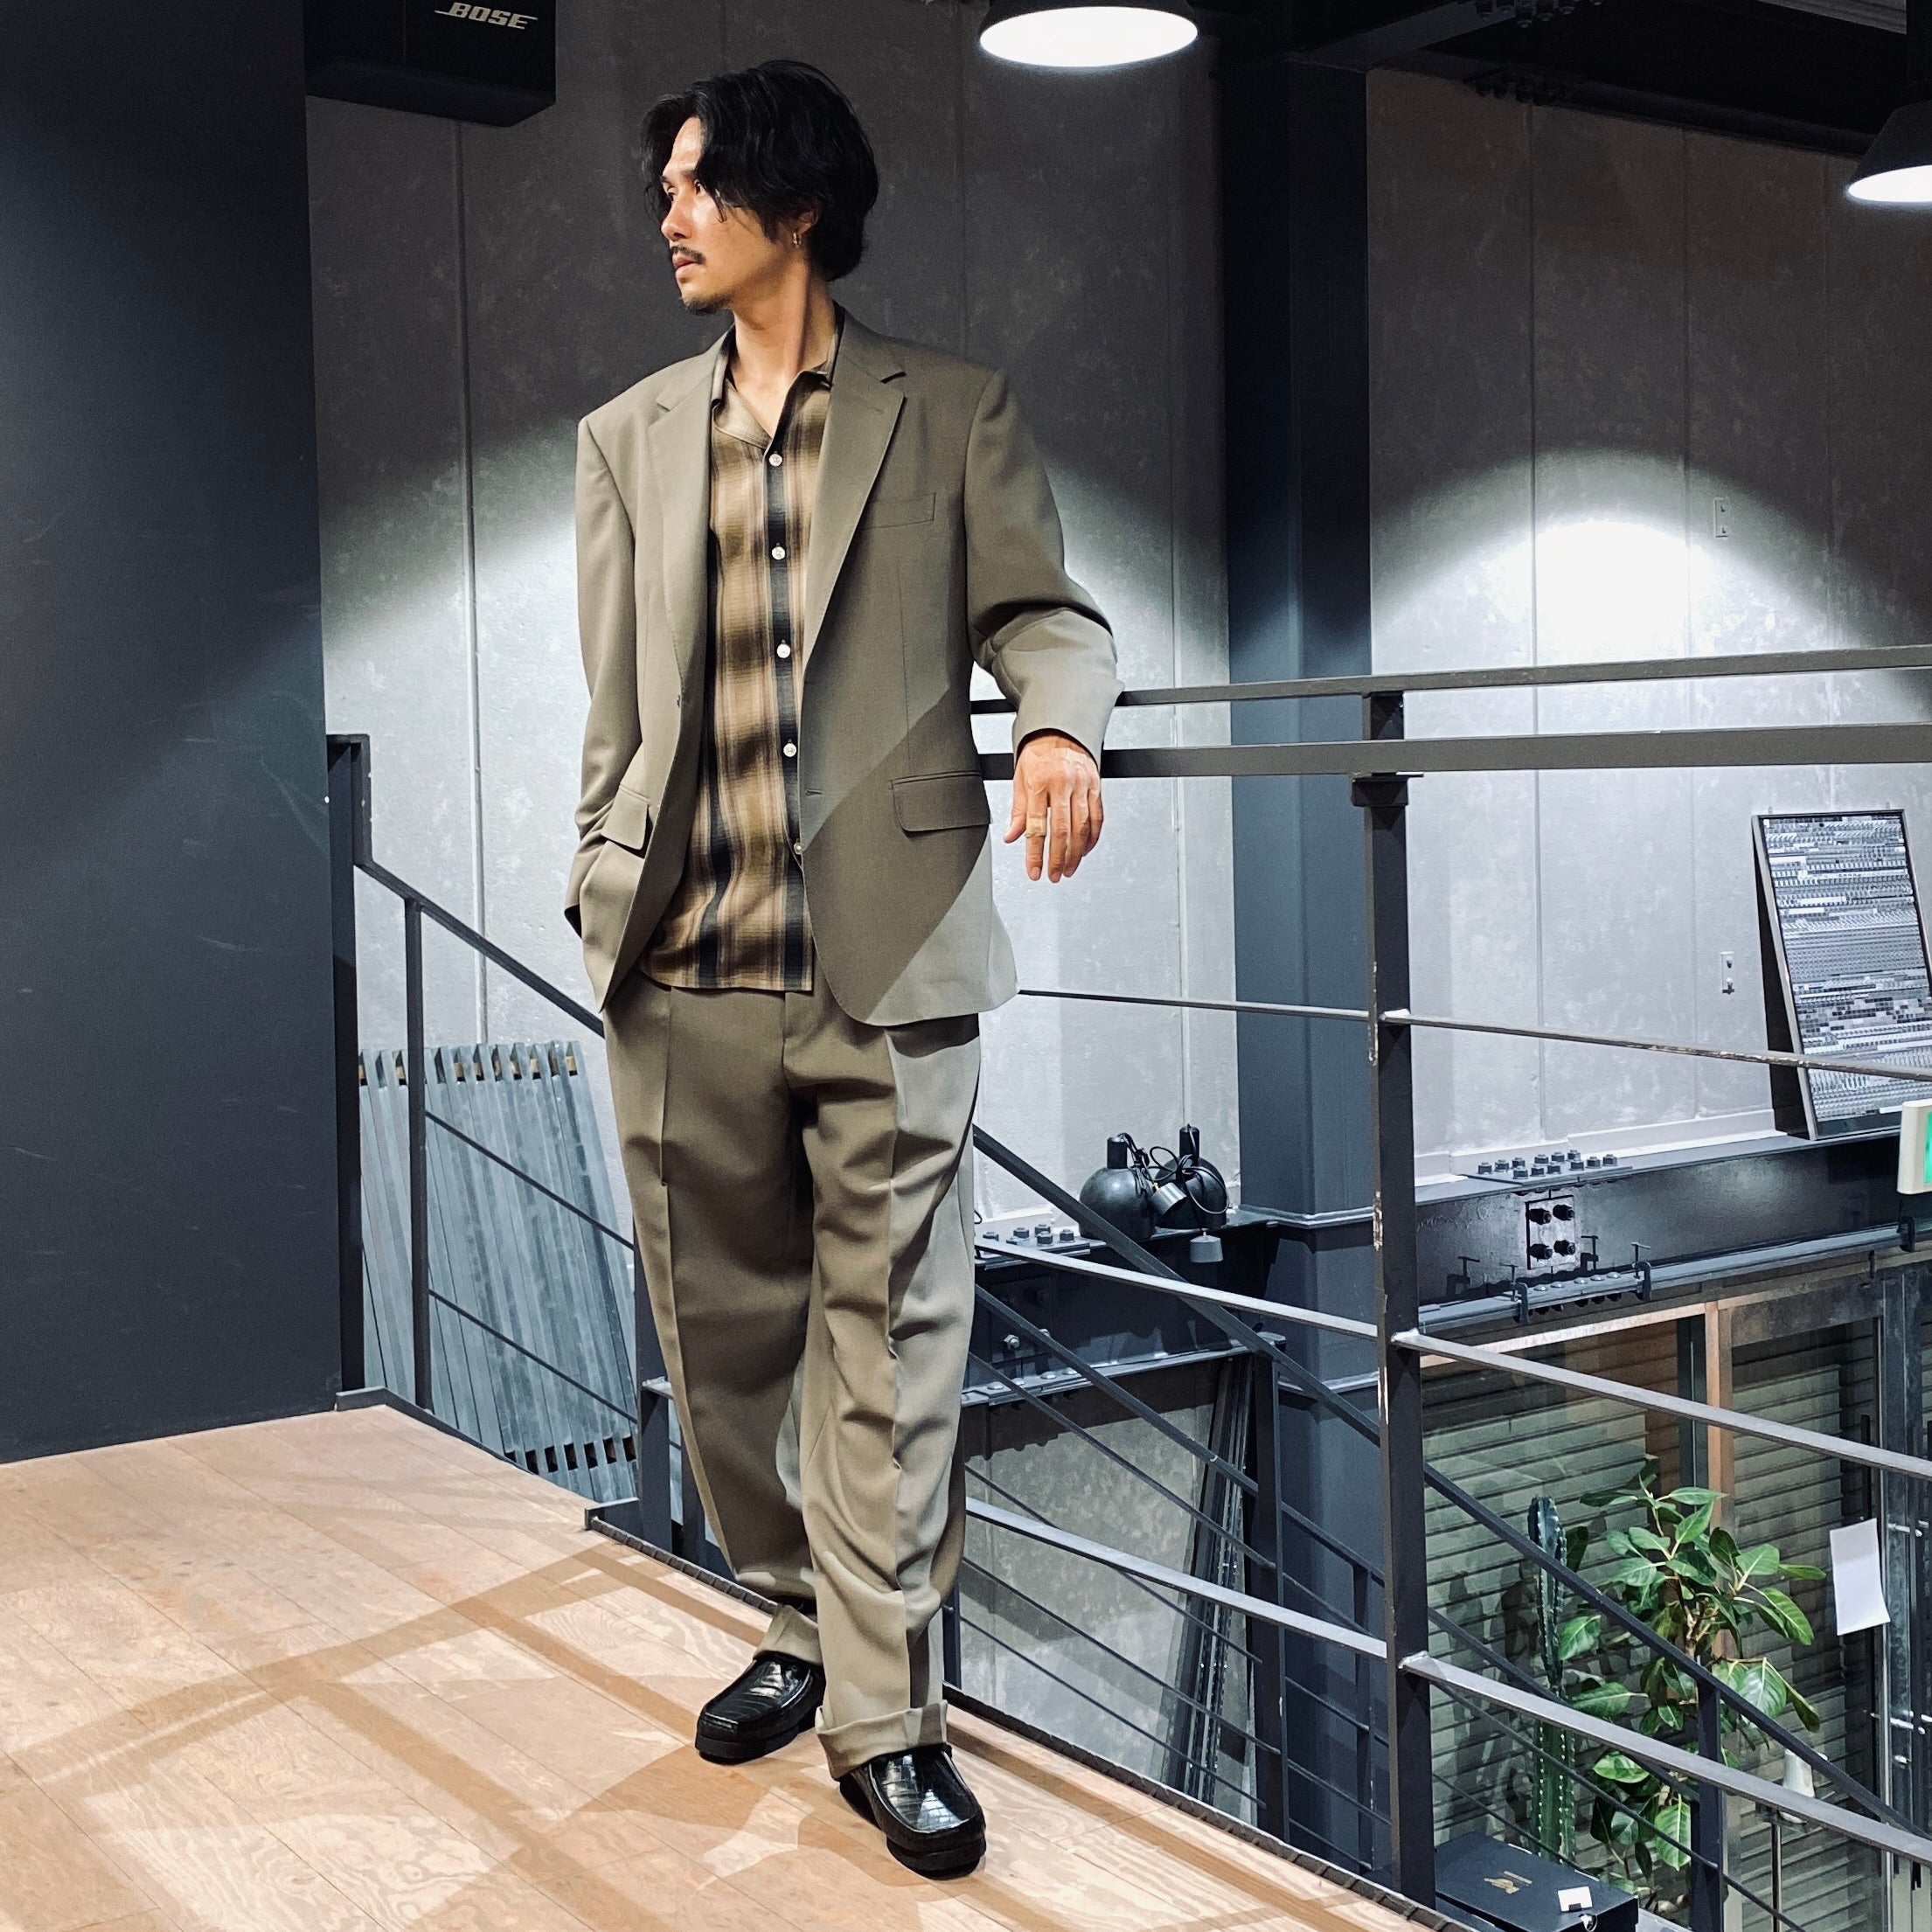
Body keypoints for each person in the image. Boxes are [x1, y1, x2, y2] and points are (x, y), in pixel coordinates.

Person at [566, 57, 1117, 1877]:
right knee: (720, 1336)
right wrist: (597, 881)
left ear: (793, 208)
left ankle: (888, 1715)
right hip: (683, 968)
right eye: (666, 186)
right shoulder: (627, 438)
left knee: (892, 1345)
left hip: (889, 963)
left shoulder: (949, 411)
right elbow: (616, 709)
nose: (667, 215)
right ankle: (794, 1618)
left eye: (696, 185)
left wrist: (1058, 726)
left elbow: (1042, 610)